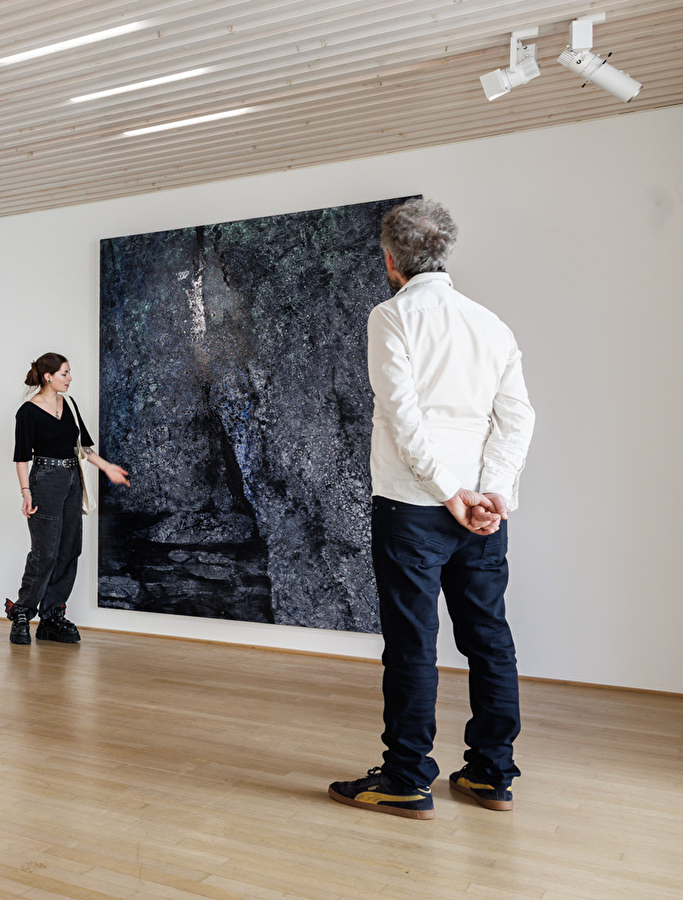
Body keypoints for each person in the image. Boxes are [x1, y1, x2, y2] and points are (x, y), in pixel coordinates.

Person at [329, 199, 534, 819]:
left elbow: (403, 416)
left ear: (391, 259)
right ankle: (491, 774)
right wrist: (491, 493)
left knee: (412, 643)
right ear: (444, 252)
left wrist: (449, 492)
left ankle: (406, 778)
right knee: (489, 637)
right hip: (481, 513)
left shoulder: (391, 316)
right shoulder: (492, 325)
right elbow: (516, 418)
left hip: (413, 508)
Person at [6, 354, 130, 645]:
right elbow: (22, 458)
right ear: (48, 377)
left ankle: (51, 616)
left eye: (69, 373)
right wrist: (26, 492)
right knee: (45, 552)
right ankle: (22, 613)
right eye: (65, 373)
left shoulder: (70, 405)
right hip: (45, 480)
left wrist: (107, 467)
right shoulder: (28, 412)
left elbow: (83, 447)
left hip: (73, 479)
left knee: (69, 548)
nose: (70, 378)